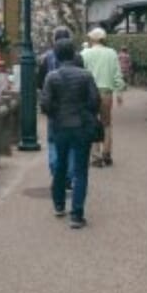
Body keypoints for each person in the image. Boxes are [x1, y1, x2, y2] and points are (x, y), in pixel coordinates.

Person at [40, 38, 100, 229]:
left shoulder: (52, 77)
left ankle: (59, 205)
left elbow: (45, 105)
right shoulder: (86, 75)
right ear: (74, 53)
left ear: (56, 55)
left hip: (60, 127)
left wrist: (56, 113)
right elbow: (94, 101)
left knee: (60, 166)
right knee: (81, 171)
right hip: (81, 126)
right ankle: (76, 215)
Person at [37, 26, 83, 187]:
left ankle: (56, 171)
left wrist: (45, 103)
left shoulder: (46, 58)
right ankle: (69, 176)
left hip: (54, 108)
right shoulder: (77, 58)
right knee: (71, 144)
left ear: (54, 40)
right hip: (73, 108)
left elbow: (40, 83)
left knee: (52, 141)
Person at [81, 27, 126, 167]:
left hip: (89, 93)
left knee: (92, 122)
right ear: (103, 38)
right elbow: (117, 74)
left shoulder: (84, 53)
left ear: (91, 39)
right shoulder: (111, 53)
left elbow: (81, 74)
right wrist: (119, 92)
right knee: (107, 123)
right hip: (106, 93)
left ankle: (96, 156)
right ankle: (107, 154)